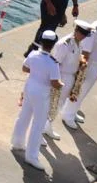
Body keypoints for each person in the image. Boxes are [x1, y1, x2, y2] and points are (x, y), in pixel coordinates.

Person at [12, 32, 63, 170]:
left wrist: (37, 71)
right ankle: (32, 156)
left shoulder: (33, 54)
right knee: (38, 124)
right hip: (42, 93)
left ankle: (17, 142)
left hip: (29, 87)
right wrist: (63, 85)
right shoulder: (53, 63)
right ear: (52, 45)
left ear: (41, 42)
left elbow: (24, 68)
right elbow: (55, 83)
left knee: (24, 116)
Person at [61, 10, 97, 128]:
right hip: (90, 66)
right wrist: (82, 71)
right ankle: (68, 115)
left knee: (84, 91)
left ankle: (72, 111)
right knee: (79, 90)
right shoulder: (95, 30)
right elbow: (86, 51)